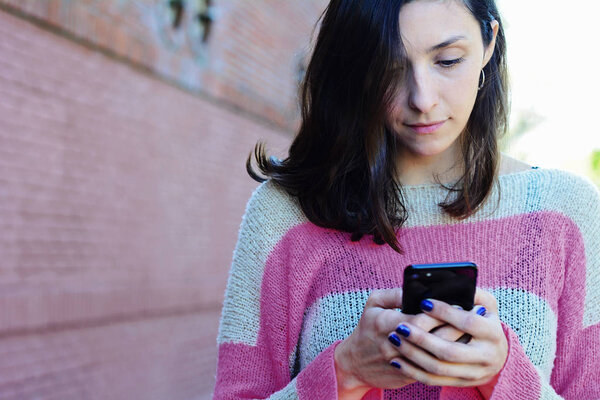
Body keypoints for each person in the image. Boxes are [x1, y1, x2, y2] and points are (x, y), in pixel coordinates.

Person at [213, 0, 600, 398]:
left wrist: (503, 374)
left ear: (488, 43)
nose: (423, 99)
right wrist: (346, 371)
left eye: (448, 60)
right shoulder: (286, 214)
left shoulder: (565, 211)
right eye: (389, 68)